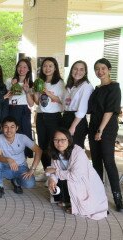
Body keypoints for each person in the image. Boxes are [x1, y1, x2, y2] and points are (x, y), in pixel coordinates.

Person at [46, 128, 108, 219]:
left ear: (69, 140)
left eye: (63, 139)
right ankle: (69, 201)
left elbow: (75, 176)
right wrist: (52, 179)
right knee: (58, 179)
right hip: (71, 180)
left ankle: (75, 206)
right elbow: (53, 168)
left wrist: (55, 171)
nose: (59, 143)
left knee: (85, 205)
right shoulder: (55, 153)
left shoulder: (78, 152)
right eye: (56, 140)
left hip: (85, 183)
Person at [87, 58, 122, 211]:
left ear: (109, 69)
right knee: (96, 162)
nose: (100, 71)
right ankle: (99, 195)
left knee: (108, 161)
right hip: (93, 126)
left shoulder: (114, 87)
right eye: (97, 69)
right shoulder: (96, 89)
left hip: (106, 127)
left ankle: (118, 198)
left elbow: (109, 110)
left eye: (103, 68)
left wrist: (100, 130)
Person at [0, 116, 42, 198]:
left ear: (17, 128)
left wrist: (32, 169)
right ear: (2, 128)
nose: (9, 130)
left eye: (12, 127)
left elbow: (38, 150)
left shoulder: (22, 137)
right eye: (6, 127)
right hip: (6, 166)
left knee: (30, 184)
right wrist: (8, 159)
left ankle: (16, 182)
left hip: (21, 167)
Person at [33, 57, 65, 181]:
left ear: (55, 68)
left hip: (54, 117)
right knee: (42, 145)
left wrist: (47, 92)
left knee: (52, 145)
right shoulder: (39, 81)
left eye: (50, 66)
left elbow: (60, 100)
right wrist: (36, 93)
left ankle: (54, 174)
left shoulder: (60, 83)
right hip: (41, 116)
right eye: (45, 66)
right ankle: (47, 172)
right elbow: (37, 102)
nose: (47, 68)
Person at [6, 59, 35, 157]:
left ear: (28, 70)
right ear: (16, 68)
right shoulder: (9, 81)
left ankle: (24, 160)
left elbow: (31, 104)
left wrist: (27, 91)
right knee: (10, 134)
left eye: (24, 67)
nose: (21, 69)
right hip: (11, 110)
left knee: (24, 135)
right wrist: (12, 86)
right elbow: (6, 99)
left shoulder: (31, 84)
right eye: (19, 66)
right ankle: (11, 159)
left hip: (24, 111)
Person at [62, 61, 93, 148]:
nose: (78, 72)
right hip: (66, 117)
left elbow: (82, 109)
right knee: (64, 150)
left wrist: (73, 127)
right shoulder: (70, 86)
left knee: (75, 150)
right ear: (71, 70)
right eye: (75, 69)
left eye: (81, 69)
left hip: (77, 121)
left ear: (85, 72)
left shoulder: (86, 86)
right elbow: (65, 103)